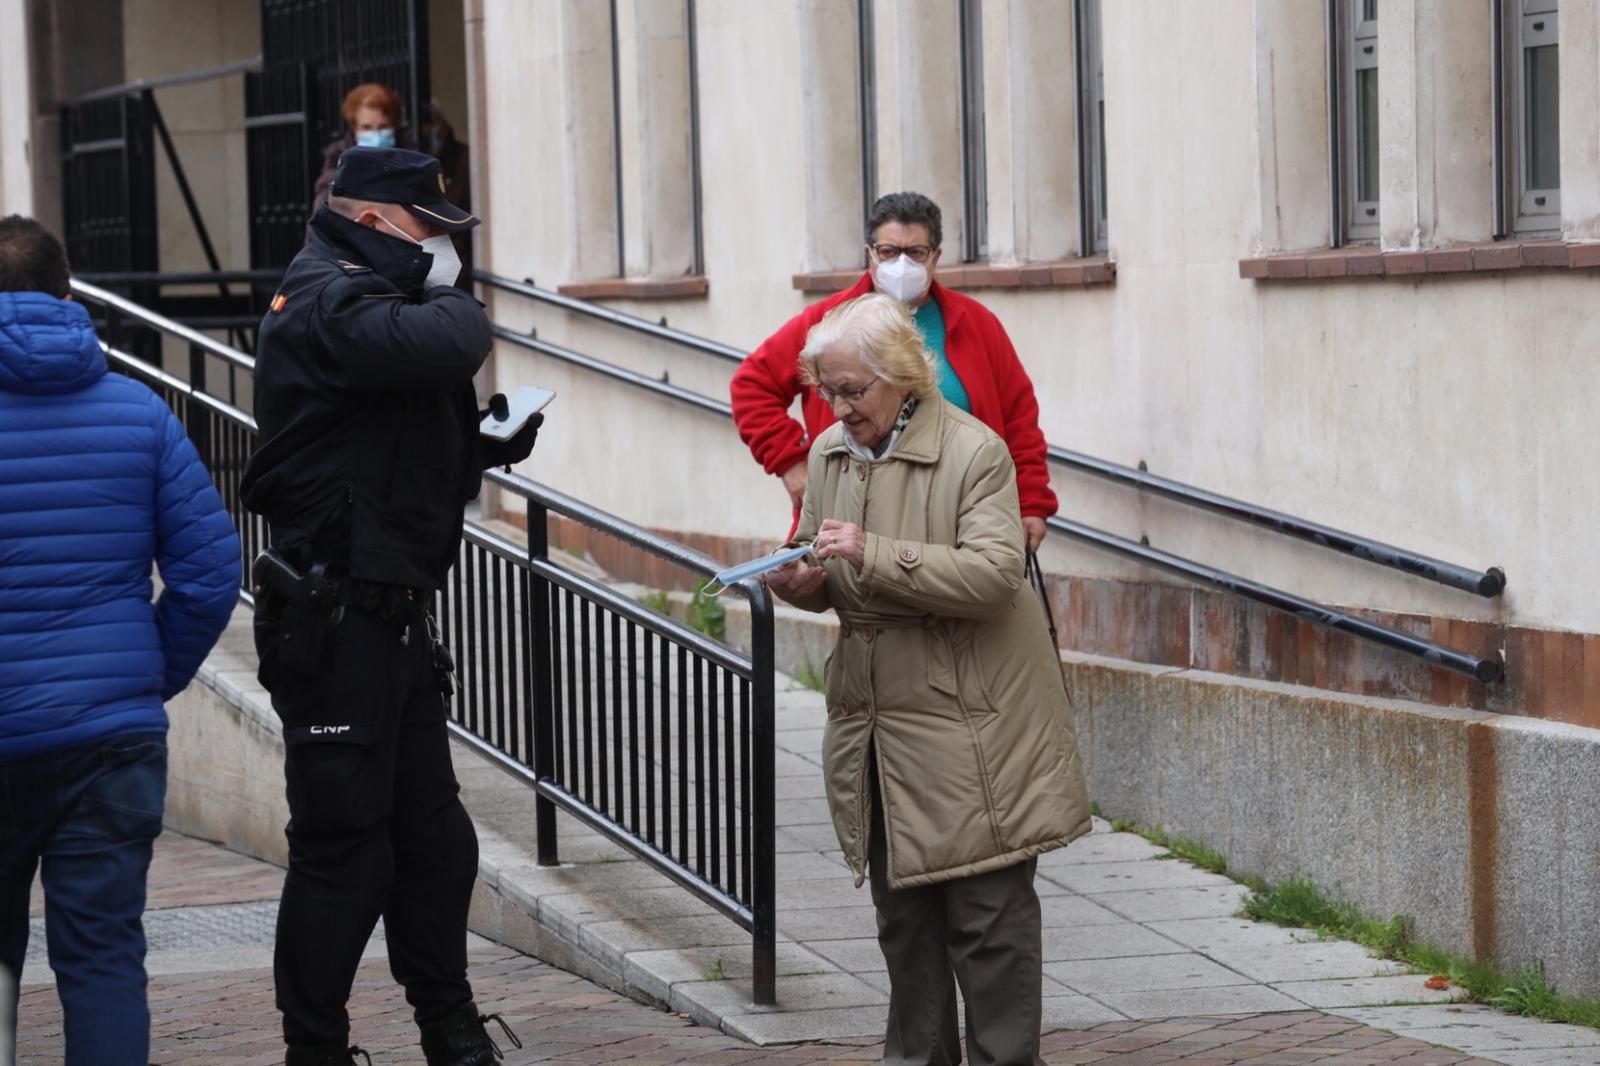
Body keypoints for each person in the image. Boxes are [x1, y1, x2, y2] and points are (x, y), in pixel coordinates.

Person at [241, 148, 538, 1066]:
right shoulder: (325, 295)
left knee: (435, 842)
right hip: (335, 621)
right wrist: (458, 303)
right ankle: (316, 1048)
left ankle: (449, 1027)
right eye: (427, 227)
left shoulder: (375, 299)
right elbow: (447, 341)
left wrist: (480, 447)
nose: (441, 247)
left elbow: (378, 448)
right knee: (343, 849)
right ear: (371, 221)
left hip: (394, 616)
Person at [765, 293, 1090, 1066]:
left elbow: (995, 575)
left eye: (853, 390)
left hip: (976, 731)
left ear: (902, 375)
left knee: (987, 927)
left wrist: (874, 552)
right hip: (879, 730)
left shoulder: (974, 452)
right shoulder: (830, 453)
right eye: (827, 391)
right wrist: (803, 582)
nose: (839, 408)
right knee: (905, 929)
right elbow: (824, 557)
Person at [0, 215, 241, 1064]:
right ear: (68, 295)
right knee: (103, 960)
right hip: (110, 738)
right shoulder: (140, 413)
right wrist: (144, 675)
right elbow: (211, 571)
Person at [731, 191, 1057, 551]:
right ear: (870, 253)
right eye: (888, 251)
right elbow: (752, 385)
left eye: (915, 252)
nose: (901, 264)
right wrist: (790, 461)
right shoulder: (827, 322)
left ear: (935, 257)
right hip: (852, 522)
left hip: (960, 522)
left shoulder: (977, 325)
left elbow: (1019, 419)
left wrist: (1030, 501)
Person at [311, 83, 417, 215]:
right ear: (354, 128)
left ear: (394, 126)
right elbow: (323, 208)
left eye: (383, 127)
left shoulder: (413, 159)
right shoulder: (338, 158)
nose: (376, 135)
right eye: (367, 128)